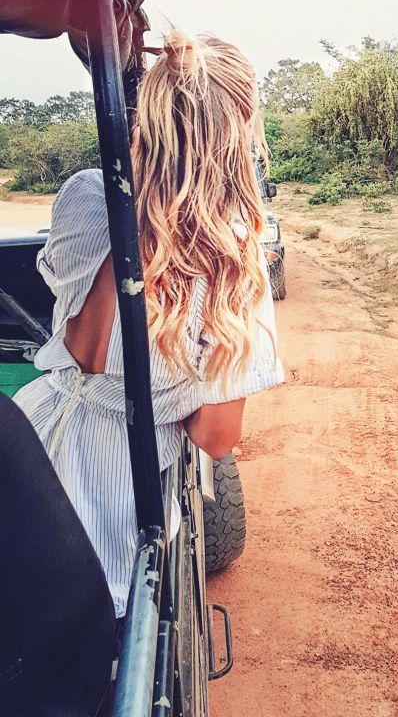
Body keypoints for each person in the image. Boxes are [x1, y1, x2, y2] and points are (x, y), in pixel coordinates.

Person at [14, 30, 285, 622]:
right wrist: (171, 397)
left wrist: (134, 203)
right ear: (240, 130)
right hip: (131, 483)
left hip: (37, 444)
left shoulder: (87, 196)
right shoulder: (238, 252)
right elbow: (215, 436)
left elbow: (83, 351)